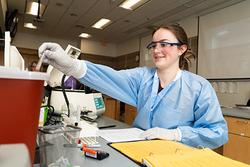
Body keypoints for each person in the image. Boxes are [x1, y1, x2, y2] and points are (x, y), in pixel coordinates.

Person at [38, 24, 228, 149]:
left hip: (176, 158)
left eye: (164, 44)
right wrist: (71, 65)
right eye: (153, 45)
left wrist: (176, 134)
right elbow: (109, 77)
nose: (157, 50)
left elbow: (217, 133)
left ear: (181, 48)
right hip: (139, 152)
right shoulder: (142, 77)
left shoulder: (198, 87)